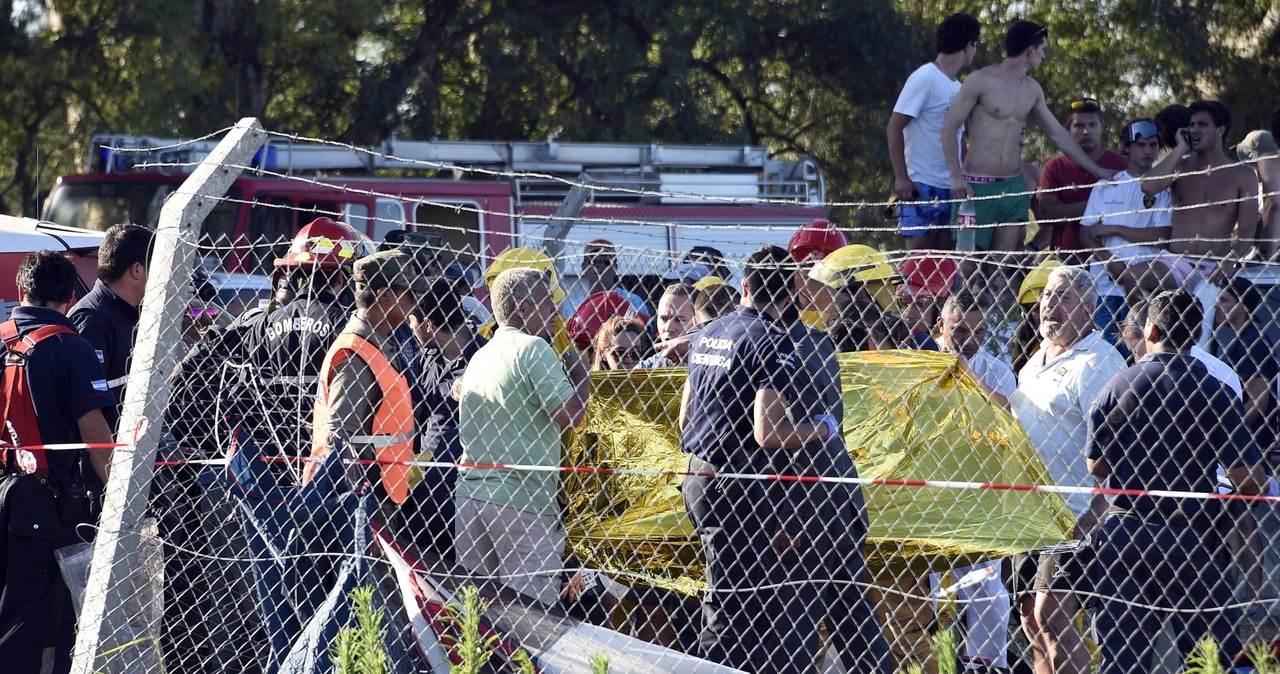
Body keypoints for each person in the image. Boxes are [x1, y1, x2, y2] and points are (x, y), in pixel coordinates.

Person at [1087, 288, 1266, 673]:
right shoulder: (1214, 391)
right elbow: (1249, 479)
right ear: (1198, 333)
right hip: (1193, 535)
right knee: (1208, 658)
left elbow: (1096, 465)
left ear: (1149, 330)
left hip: (1125, 533)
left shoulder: (1119, 385)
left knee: (1121, 658)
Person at [678, 244, 836, 673]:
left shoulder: (707, 332)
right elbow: (767, 432)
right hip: (737, 484)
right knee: (731, 612)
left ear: (744, 286)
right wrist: (823, 428)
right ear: (790, 296)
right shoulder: (771, 342)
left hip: (698, 473)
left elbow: (685, 412)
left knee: (730, 597)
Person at [771, 263, 892, 673]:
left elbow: (776, 438)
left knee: (799, 627)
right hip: (838, 500)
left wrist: (783, 520)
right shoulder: (818, 343)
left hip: (803, 509)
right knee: (854, 620)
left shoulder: (775, 346)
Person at [0, 251, 116, 674]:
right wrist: (123, 499)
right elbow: (96, 435)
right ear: (70, 296)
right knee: (35, 623)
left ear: (20, 290)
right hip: (45, 507)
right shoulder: (72, 347)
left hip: (2, 491)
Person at [1008, 264, 1126, 674]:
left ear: (1089, 310)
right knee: (1029, 622)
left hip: (1076, 513)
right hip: (1030, 513)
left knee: (1052, 616)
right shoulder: (1030, 363)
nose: (1050, 305)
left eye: (1063, 298)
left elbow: (1115, 445)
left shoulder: (1097, 361)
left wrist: (1098, 510)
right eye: (1046, 297)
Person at [455, 267, 590, 604]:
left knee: (477, 615)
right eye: (548, 303)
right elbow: (571, 415)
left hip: (472, 498)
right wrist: (582, 374)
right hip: (523, 506)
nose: (555, 312)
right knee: (532, 619)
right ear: (523, 307)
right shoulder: (534, 349)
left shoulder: (480, 356)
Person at [942, 20, 1118, 252]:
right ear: (1030, 50)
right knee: (967, 268)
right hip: (977, 188)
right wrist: (955, 176)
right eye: (1042, 49)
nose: (1043, 56)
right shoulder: (980, 80)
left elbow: (1058, 134)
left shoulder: (1032, 89)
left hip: (1013, 187)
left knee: (1001, 268)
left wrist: (1099, 172)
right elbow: (949, 127)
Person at [238, 217, 366, 472]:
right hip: (324, 457)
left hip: (269, 457)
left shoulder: (263, 325)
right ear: (342, 278)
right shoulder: (347, 327)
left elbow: (244, 385)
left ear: (294, 273)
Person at [306, 249, 427, 517]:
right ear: (384, 295)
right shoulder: (355, 353)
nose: (415, 303)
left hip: (377, 491)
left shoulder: (378, 344)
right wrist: (358, 509)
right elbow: (338, 438)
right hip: (359, 499)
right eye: (410, 294)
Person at [887, 12, 981, 251]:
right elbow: (894, 126)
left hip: (951, 188)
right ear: (968, 46)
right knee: (918, 267)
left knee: (945, 269)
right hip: (920, 186)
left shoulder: (959, 87)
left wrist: (963, 175)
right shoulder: (924, 77)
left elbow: (959, 138)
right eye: (975, 45)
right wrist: (901, 177)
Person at [1142, 100, 1259, 289]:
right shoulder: (1180, 167)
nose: (1194, 129)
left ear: (1220, 130)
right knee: (1137, 276)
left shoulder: (1242, 175)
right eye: (1191, 125)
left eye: (1202, 125)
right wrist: (1180, 149)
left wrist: (1231, 259)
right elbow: (1147, 187)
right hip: (1176, 264)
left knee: (1210, 312)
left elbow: (1247, 230)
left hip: (1215, 267)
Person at [1079, 118, 1173, 347]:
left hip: (1142, 288)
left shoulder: (1163, 189)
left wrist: (1115, 229)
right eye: (1141, 145)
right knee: (1102, 350)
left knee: (1138, 352)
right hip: (1103, 288)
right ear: (1127, 148)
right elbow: (1086, 233)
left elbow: (1162, 234)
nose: (1148, 151)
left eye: (1153, 145)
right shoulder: (1107, 185)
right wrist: (1111, 262)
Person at [403, 276, 475, 560]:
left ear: (428, 324)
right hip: (420, 482)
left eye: (413, 321)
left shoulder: (481, 359)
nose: (410, 328)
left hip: (458, 487)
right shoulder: (427, 357)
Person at [69, 223, 154, 432]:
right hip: (105, 457)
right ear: (137, 270)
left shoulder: (133, 313)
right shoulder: (92, 319)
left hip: (131, 449)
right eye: (161, 265)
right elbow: (89, 409)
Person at [1033, 98, 1129, 261]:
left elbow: (1128, 209)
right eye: (1079, 126)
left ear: (1101, 127)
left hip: (1112, 260)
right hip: (1066, 262)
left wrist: (1067, 210)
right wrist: (1101, 205)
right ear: (1067, 129)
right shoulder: (1054, 166)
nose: (1086, 131)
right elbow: (1047, 212)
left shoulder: (1120, 164)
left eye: (1093, 125)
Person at [940, 289, 1016, 408]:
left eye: (978, 332)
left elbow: (1008, 414)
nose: (969, 340)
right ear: (941, 325)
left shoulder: (1000, 374)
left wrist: (969, 374)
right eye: (960, 330)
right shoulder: (922, 354)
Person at [1234, 128, 1280, 259]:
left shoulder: (1263, 190)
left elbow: (1273, 207)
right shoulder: (1259, 187)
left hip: (1266, 257)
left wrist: (1270, 255)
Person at [642, 283, 696, 367]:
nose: (668, 327)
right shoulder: (651, 364)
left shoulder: (712, 363)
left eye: (679, 320)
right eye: (663, 319)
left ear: (697, 322)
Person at [562, 239, 619, 318]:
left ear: (615, 267)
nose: (599, 265)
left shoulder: (632, 302)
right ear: (584, 267)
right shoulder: (575, 307)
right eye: (593, 261)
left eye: (606, 260)